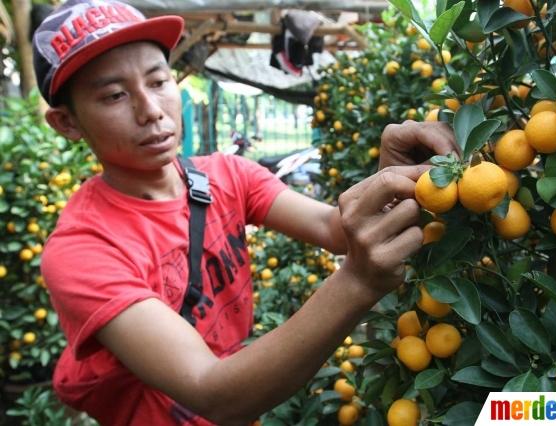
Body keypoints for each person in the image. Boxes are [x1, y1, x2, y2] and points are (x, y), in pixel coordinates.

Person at [33, 1, 460, 424]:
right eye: (114, 95)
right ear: (67, 123)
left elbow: (333, 228)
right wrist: (358, 281)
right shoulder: (82, 250)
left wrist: (395, 174)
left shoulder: (227, 175)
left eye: (158, 80)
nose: (151, 110)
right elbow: (212, 393)